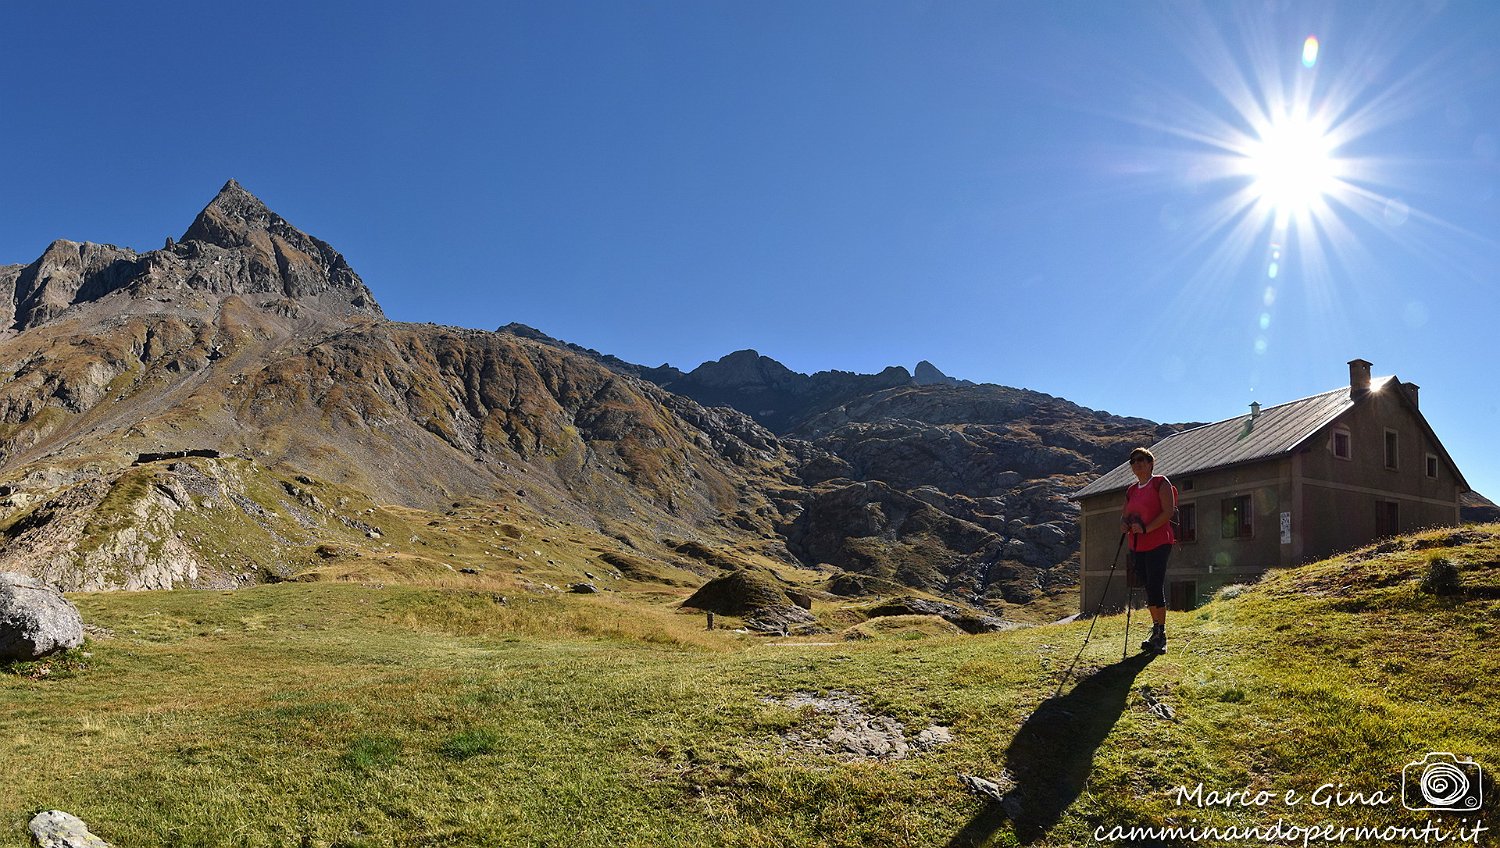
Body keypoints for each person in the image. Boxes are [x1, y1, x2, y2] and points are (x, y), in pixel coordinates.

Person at [1121, 447, 1174, 653]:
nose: (1137, 463)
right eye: (1133, 461)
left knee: (1154, 584)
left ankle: (1161, 634)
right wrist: (1124, 525)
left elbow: (1167, 511)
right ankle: (1156, 630)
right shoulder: (1131, 490)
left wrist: (1145, 528)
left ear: (1151, 462)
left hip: (1159, 542)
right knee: (1148, 585)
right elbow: (1123, 516)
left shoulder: (1161, 482)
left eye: (1141, 459)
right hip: (1137, 545)